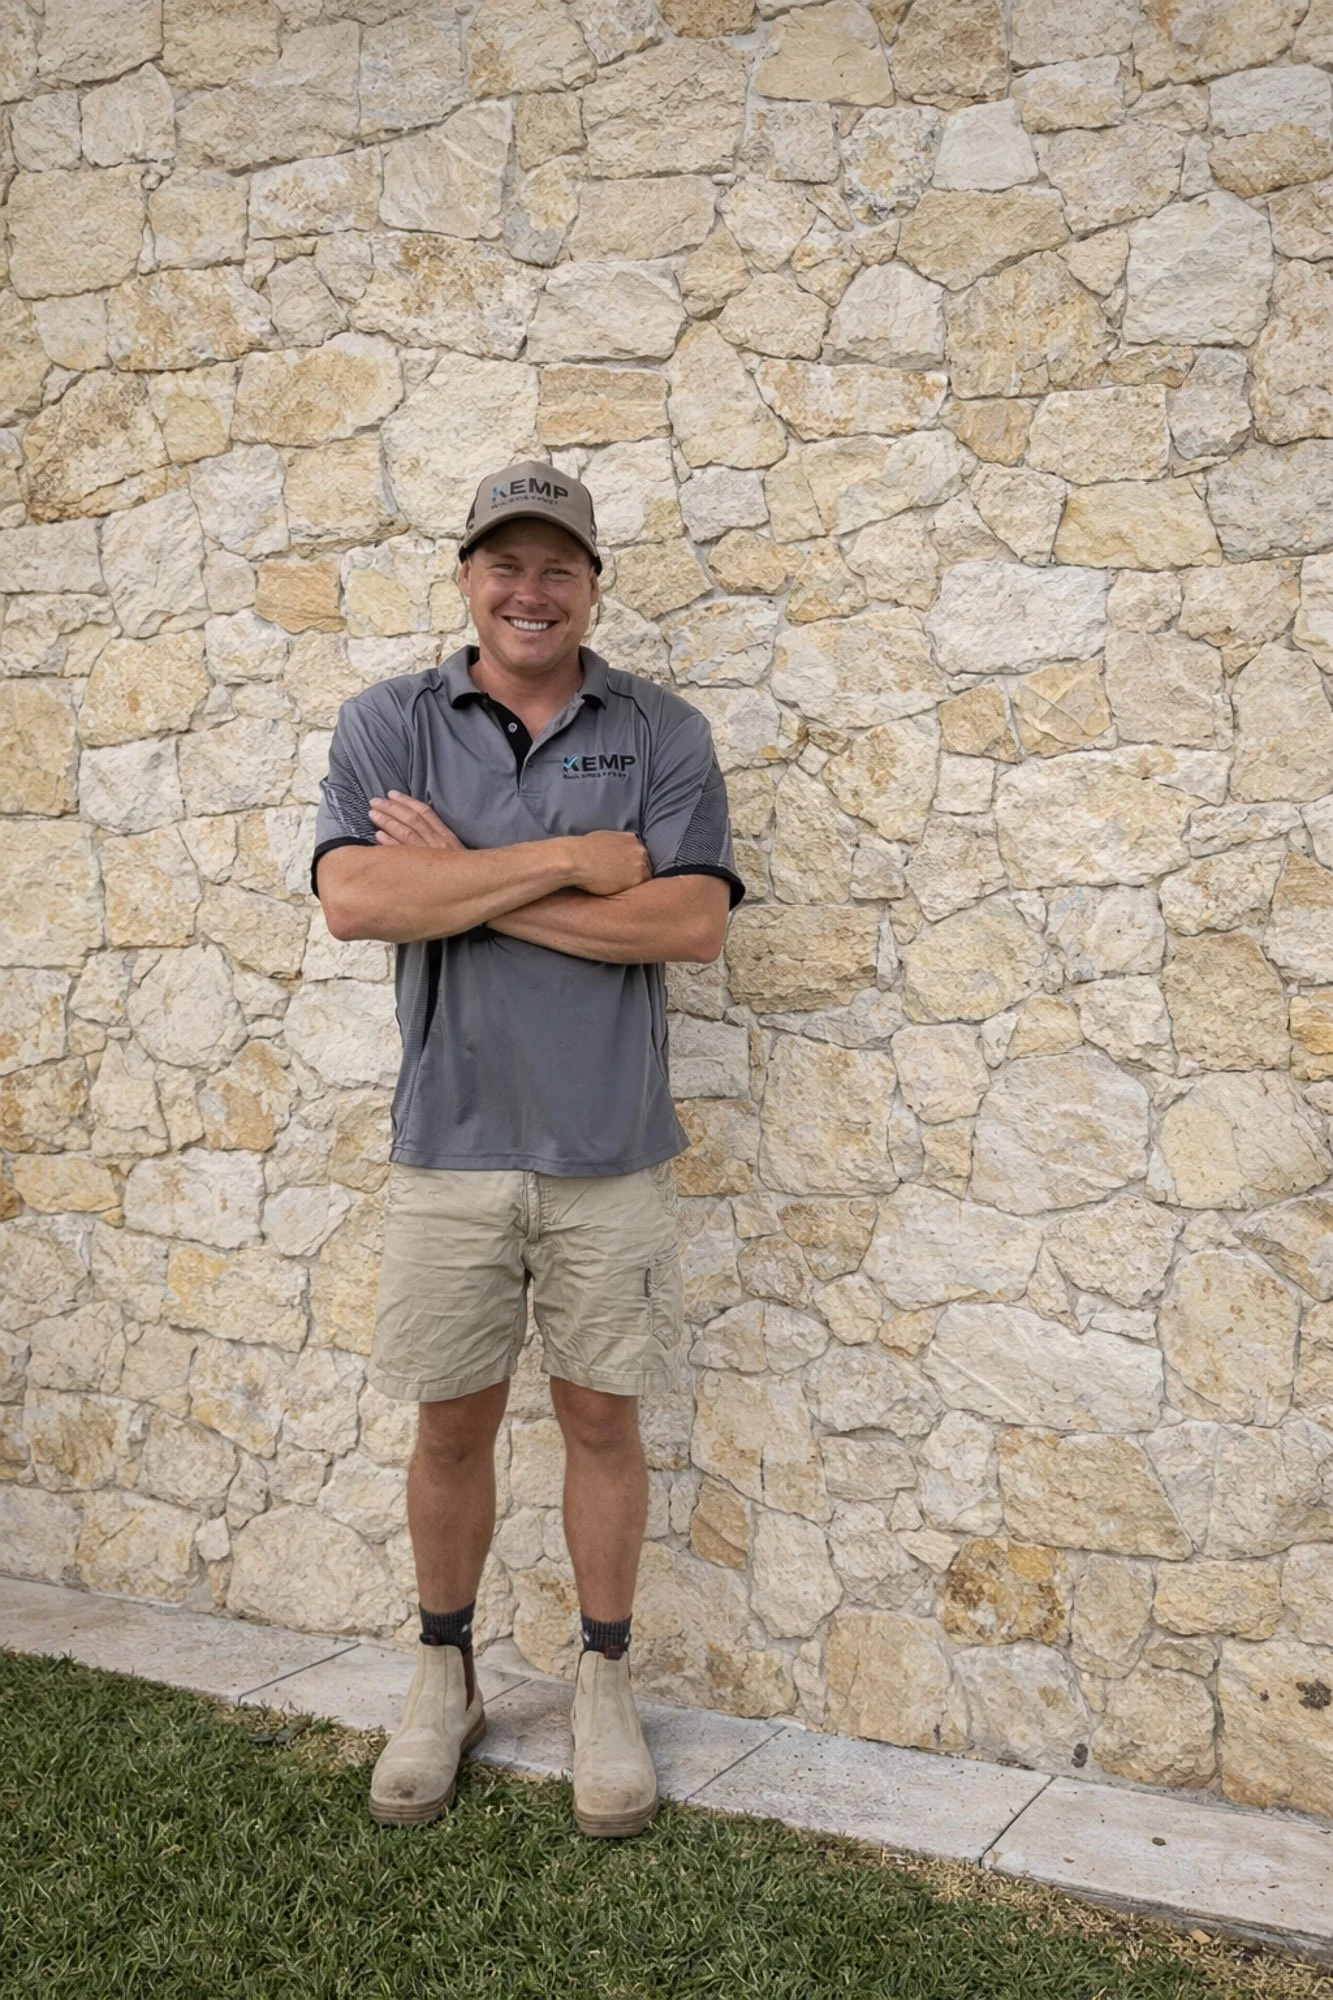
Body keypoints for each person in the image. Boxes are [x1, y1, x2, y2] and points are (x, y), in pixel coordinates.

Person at [312, 461, 744, 1837]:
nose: (530, 590)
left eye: (558, 566)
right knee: (451, 1421)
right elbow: (357, 899)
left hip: (611, 1147)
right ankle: (444, 1672)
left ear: (593, 585)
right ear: (466, 578)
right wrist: (569, 862)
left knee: (602, 1417)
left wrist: (464, 883)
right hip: (451, 1143)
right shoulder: (387, 724)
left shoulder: (661, 731)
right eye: (506, 564)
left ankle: (603, 1684)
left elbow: (687, 924)